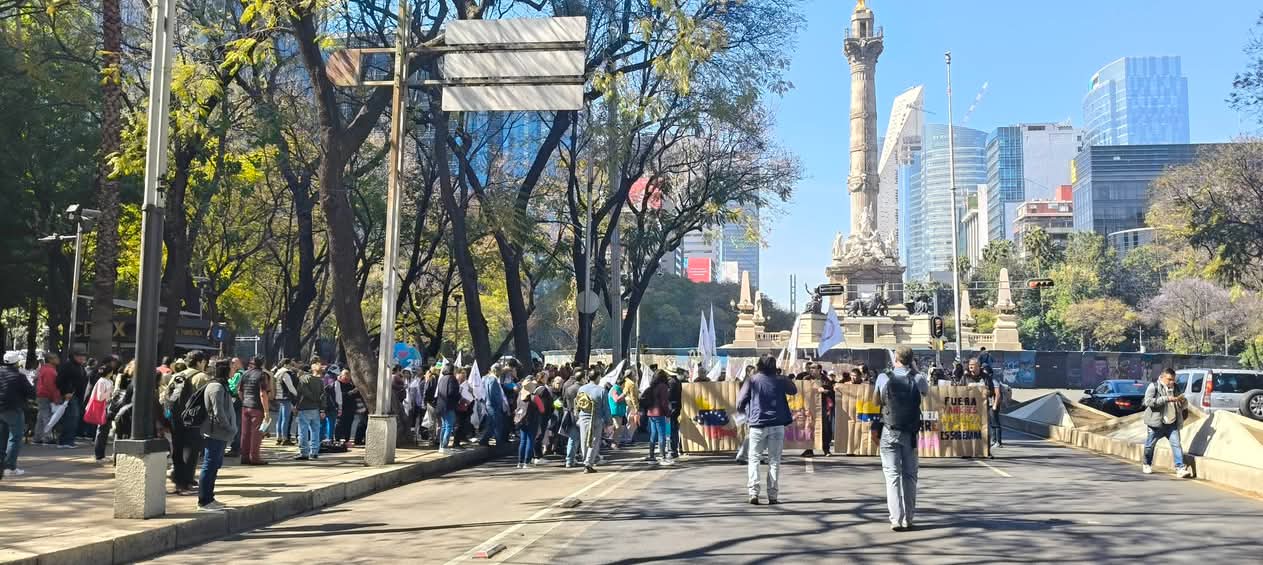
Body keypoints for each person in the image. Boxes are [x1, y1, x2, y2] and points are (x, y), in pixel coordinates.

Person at [875, 346, 928, 531]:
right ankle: (909, 518)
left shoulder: (884, 378)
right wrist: (914, 369)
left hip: (890, 430)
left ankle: (896, 519)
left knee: (892, 476)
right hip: (911, 433)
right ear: (912, 359)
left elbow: (877, 401)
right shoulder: (918, 378)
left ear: (895, 358)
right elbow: (926, 392)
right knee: (910, 475)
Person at [737, 354, 796, 505]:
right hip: (777, 424)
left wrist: (744, 411)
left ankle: (753, 492)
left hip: (757, 424)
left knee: (754, 458)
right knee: (774, 460)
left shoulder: (752, 380)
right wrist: (782, 376)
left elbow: (740, 402)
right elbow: (793, 390)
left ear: (759, 365)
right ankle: (773, 495)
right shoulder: (780, 379)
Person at [166, 352, 211, 494]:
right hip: (193, 419)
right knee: (192, 450)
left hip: (175, 418)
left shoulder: (177, 375)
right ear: (199, 362)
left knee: (178, 449)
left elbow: (167, 397)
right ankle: (187, 482)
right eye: (204, 362)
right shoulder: (202, 377)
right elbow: (207, 399)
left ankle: (179, 481)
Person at [198, 359, 239, 512]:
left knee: (215, 465)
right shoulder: (216, 387)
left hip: (221, 433)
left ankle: (210, 498)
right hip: (216, 432)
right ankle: (204, 500)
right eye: (232, 368)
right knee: (210, 465)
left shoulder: (222, 386)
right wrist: (229, 428)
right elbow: (218, 412)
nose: (234, 371)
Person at [1142, 368, 1192, 478]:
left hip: (1172, 423)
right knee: (1150, 445)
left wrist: (1183, 403)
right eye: (1169, 379)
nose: (1171, 382)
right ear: (1162, 377)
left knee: (1176, 445)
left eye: (1173, 380)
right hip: (1156, 423)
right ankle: (1147, 463)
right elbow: (1148, 402)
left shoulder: (1176, 387)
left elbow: (1183, 403)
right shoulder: (1154, 387)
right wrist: (1166, 399)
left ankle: (1180, 468)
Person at [0, 350, 37, 479]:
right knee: (15, 437)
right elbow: (31, 392)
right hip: (13, 408)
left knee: (2, 437)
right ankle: (10, 467)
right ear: (16, 363)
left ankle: (1, 466)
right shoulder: (19, 376)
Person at [238, 357, 271, 465]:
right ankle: (254, 457)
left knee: (245, 433)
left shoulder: (245, 374)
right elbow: (263, 394)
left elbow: (240, 391)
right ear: (263, 364)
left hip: (245, 406)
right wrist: (266, 411)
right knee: (256, 433)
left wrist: (244, 401)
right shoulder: (262, 375)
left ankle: (244, 456)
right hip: (257, 407)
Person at [54, 346, 89, 448]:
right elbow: (59, 381)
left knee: (73, 417)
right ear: (74, 356)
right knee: (71, 417)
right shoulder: (68, 366)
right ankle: (65, 441)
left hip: (77, 395)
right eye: (79, 356)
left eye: (83, 356)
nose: (82, 358)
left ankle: (68, 440)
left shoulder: (80, 366)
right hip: (70, 395)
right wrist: (65, 392)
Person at [576, 374, 610, 473]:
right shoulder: (601, 390)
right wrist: (609, 422)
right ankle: (588, 463)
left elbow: (578, 403)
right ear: (598, 378)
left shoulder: (581, 389)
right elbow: (606, 408)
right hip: (596, 418)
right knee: (594, 441)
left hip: (583, 417)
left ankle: (585, 460)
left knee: (584, 440)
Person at [965, 358, 1002, 449]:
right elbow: (958, 390)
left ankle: (985, 450)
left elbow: (992, 392)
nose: (970, 366)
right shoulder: (965, 377)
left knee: (985, 429)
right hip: (970, 407)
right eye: (970, 364)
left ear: (978, 366)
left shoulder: (986, 377)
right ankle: (969, 449)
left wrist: (984, 391)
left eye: (973, 364)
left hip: (983, 407)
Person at [294, 359, 325, 460]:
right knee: (315, 430)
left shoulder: (303, 379)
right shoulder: (319, 381)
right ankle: (314, 451)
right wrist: (322, 409)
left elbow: (300, 394)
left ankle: (304, 452)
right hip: (315, 408)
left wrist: (296, 405)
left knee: (303, 431)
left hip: (304, 407)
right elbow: (323, 396)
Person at [644, 370, 673, 465]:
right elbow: (664, 402)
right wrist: (668, 414)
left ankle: (652, 455)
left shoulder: (652, 386)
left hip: (651, 412)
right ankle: (662, 456)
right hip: (659, 413)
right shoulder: (663, 386)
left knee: (653, 434)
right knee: (662, 435)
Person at [514, 379, 544, 468]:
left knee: (523, 441)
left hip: (521, 420)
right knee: (530, 441)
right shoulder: (534, 397)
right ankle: (527, 462)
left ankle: (520, 462)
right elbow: (542, 409)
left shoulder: (520, 395)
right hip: (532, 421)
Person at [34, 353, 60, 444]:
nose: (58, 359)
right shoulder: (50, 370)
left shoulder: (45, 369)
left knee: (41, 416)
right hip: (46, 395)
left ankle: (37, 436)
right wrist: (55, 397)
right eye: (55, 357)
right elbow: (50, 385)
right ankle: (47, 437)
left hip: (42, 394)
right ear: (50, 360)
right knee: (46, 416)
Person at [435, 365, 460, 453]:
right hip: (449, 405)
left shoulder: (442, 378)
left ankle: (441, 446)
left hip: (441, 405)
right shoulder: (452, 379)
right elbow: (452, 392)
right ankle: (445, 447)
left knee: (444, 426)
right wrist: (459, 396)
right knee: (449, 426)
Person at [272, 359, 298, 446]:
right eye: (290, 364)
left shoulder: (278, 372)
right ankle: (285, 438)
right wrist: (296, 394)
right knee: (285, 418)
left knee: (280, 418)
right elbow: (290, 387)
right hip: (285, 396)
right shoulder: (285, 373)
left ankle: (278, 437)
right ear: (286, 364)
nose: (291, 366)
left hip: (278, 396)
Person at [817, 363, 836, 456]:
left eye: (813, 368)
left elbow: (831, 391)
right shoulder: (806, 379)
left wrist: (824, 391)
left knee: (825, 428)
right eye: (810, 368)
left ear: (819, 369)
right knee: (810, 428)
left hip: (823, 407)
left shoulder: (825, 380)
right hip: (810, 408)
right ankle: (809, 449)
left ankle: (826, 449)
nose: (811, 370)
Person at [666, 369, 683, 459]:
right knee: (675, 429)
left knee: (672, 429)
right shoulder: (678, 381)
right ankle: (675, 449)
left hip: (672, 407)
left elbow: (668, 396)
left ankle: (673, 450)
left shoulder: (671, 383)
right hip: (677, 406)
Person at [621, 369, 640, 447]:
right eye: (634, 374)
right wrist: (636, 407)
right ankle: (628, 439)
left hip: (627, 403)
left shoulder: (625, 382)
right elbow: (633, 396)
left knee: (629, 422)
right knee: (632, 423)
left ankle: (626, 438)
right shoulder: (631, 383)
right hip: (631, 404)